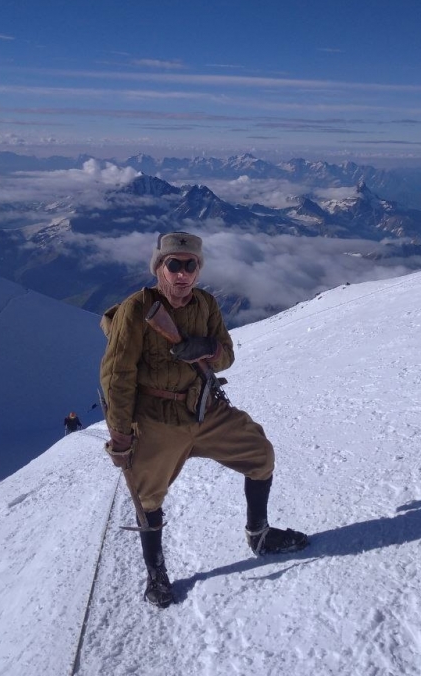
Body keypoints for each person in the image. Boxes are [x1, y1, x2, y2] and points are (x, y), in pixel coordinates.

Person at [99, 231, 308, 608]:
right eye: (173, 264)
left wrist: (208, 349)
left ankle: (259, 535)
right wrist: (121, 435)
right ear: (159, 268)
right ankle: (156, 573)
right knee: (148, 496)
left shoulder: (206, 304)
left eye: (190, 265)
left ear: (198, 269)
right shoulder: (136, 309)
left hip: (205, 408)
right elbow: (117, 376)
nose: (182, 273)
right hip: (157, 417)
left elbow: (226, 355)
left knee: (259, 454)